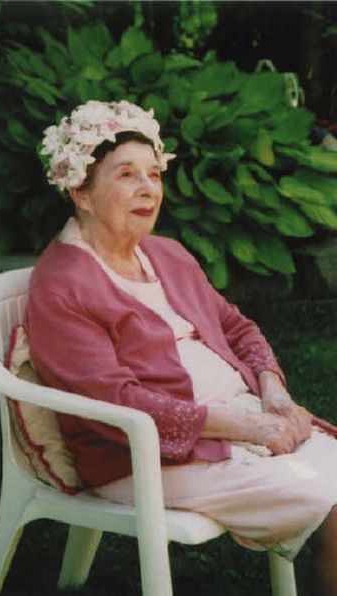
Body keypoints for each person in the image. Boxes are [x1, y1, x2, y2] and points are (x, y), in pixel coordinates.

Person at [26, 100, 337, 594]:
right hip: (145, 455)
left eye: (154, 173)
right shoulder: (61, 286)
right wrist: (243, 424)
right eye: (126, 175)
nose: (148, 188)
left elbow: (238, 328)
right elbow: (114, 403)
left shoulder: (165, 254)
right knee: (333, 502)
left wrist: (273, 393)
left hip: (239, 421)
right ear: (80, 191)